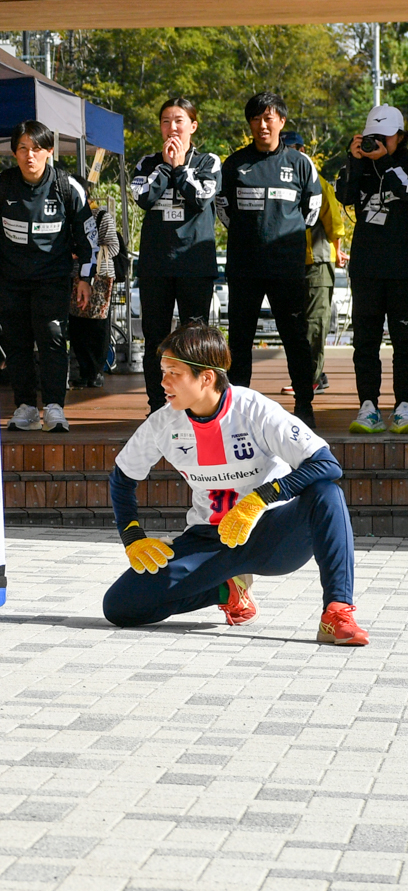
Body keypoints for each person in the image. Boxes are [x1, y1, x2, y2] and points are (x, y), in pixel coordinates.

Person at [102, 322, 366, 645]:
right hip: (209, 542)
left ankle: (337, 612)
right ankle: (226, 590)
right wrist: (132, 536)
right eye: (163, 372)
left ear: (207, 377)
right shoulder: (163, 422)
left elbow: (326, 464)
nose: (163, 382)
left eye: (174, 373)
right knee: (119, 606)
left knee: (328, 493)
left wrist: (261, 498)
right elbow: (121, 479)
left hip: (271, 534)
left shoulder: (254, 410)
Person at [0, 121, 96, 432]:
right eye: (23, 149)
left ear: (49, 152)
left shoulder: (68, 187)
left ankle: (55, 406)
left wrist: (85, 278)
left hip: (52, 280)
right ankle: (25, 406)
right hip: (10, 281)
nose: (30, 155)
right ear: (14, 153)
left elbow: (88, 237)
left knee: (53, 339)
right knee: (16, 343)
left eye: (37, 149)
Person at [217, 92, 322, 424]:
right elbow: (223, 210)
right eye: (256, 118)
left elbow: (312, 211)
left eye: (269, 118)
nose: (263, 124)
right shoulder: (233, 164)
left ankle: (304, 403)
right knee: (240, 339)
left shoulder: (300, 164)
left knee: (296, 337)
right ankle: (235, 409)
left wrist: (281, 238)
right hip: (245, 268)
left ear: (281, 121)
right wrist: (254, 238)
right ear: (250, 123)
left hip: (287, 268)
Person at [129, 97, 221, 412]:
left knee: (195, 340)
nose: (172, 127)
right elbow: (142, 196)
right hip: (156, 265)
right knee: (155, 340)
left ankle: (196, 404)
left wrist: (181, 167)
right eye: (166, 121)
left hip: (195, 265)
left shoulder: (209, 161)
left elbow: (201, 198)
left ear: (193, 126)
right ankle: (158, 406)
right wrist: (167, 168)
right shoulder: (146, 163)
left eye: (179, 120)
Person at [338, 105, 408, 435]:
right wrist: (354, 160)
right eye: (371, 137)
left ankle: (405, 405)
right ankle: (368, 405)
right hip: (366, 269)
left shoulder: (402, 165)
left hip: (403, 271)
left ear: (400, 136)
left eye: (386, 137)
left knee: (405, 342)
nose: (378, 142)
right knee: (365, 343)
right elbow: (344, 195)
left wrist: (384, 160)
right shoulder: (361, 165)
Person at [298, 133, 344, 400]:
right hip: (289, 265)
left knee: (316, 324)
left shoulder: (321, 184)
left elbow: (335, 225)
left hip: (318, 262)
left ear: (303, 150)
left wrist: (338, 253)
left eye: (295, 147)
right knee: (296, 326)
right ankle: (310, 375)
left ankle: (312, 378)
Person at [70, 195, 120, 389]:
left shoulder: (101, 216)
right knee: (77, 324)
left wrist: (87, 251)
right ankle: (84, 370)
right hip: (74, 275)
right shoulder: (69, 216)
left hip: (100, 275)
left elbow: (113, 247)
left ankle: (97, 370)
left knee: (97, 324)